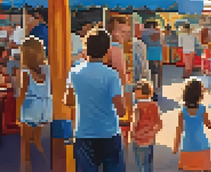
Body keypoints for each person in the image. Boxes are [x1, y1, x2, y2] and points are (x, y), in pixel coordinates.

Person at [65, 29, 126, 172]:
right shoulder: (111, 75)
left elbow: (68, 101)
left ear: (85, 48)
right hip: (109, 133)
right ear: (107, 51)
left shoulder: (75, 72)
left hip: (84, 133)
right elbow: (121, 110)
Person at [18, 37, 52, 170]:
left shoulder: (25, 72)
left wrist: (17, 114)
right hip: (45, 107)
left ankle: (26, 167)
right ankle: (43, 165)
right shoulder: (48, 70)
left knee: (26, 144)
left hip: (31, 107)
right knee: (38, 141)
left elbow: (22, 94)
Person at [173, 78, 211, 171]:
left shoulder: (182, 112)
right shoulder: (202, 109)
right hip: (203, 147)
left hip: (187, 147)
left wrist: (175, 148)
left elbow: (179, 131)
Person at [132, 80, 162, 172]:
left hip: (138, 139)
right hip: (149, 140)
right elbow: (159, 124)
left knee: (140, 163)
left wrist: (132, 133)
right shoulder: (154, 106)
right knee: (148, 163)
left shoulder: (138, 107)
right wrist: (152, 133)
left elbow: (135, 122)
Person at [142, 20, 163, 100]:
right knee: (155, 74)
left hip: (147, 54)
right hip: (157, 55)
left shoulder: (143, 33)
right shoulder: (158, 33)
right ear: (152, 25)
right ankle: (155, 91)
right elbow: (161, 43)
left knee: (148, 74)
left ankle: (147, 91)